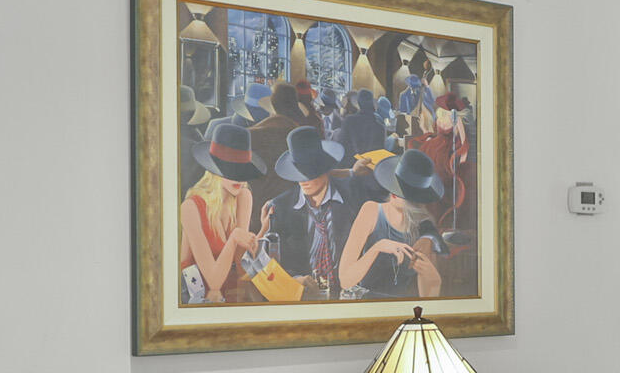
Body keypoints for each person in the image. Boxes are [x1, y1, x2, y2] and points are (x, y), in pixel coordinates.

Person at [179, 116, 267, 304]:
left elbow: (241, 260)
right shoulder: (191, 207)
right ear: (215, 170)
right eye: (232, 170)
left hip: (229, 290)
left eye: (243, 171)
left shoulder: (243, 196)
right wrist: (235, 236)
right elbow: (213, 281)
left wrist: (259, 236)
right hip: (194, 293)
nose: (240, 180)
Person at [343, 146, 449, 299]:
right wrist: (378, 247)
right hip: (364, 302)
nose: (394, 191)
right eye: (396, 183)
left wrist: (434, 282)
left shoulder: (425, 230)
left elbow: (427, 299)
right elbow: (345, 280)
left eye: (403, 190)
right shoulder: (371, 210)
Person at [264, 125, 356, 298]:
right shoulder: (281, 207)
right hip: (302, 298)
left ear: (325, 170)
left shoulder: (352, 198)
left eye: (309, 173)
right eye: (297, 173)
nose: (302, 180)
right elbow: (271, 263)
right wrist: (294, 279)